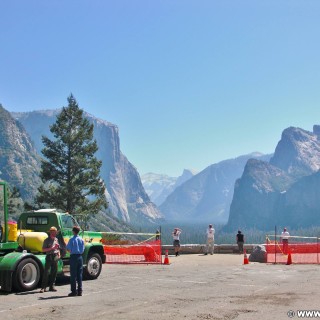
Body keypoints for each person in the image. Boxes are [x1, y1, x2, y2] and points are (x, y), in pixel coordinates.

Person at [40, 226, 60, 293]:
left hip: (55, 256)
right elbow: (43, 249)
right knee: (46, 272)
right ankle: (43, 287)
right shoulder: (46, 240)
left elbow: (57, 248)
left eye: (55, 232)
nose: (55, 233)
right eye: (53, 232)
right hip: (49, 256)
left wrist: (58, 254)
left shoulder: (56, 239)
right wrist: (52, 248)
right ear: (51, 232)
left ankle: (52, 286)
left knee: (54, 272)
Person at [66, 226, 85, 297]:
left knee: (73, 275)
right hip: (80, 257)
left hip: (73, 257)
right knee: (79, 274)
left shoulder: (72, 240)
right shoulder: (81, 240)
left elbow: (68, 249)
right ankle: (80, 291)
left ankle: (73, 291)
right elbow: (83, 250)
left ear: (73, 231)